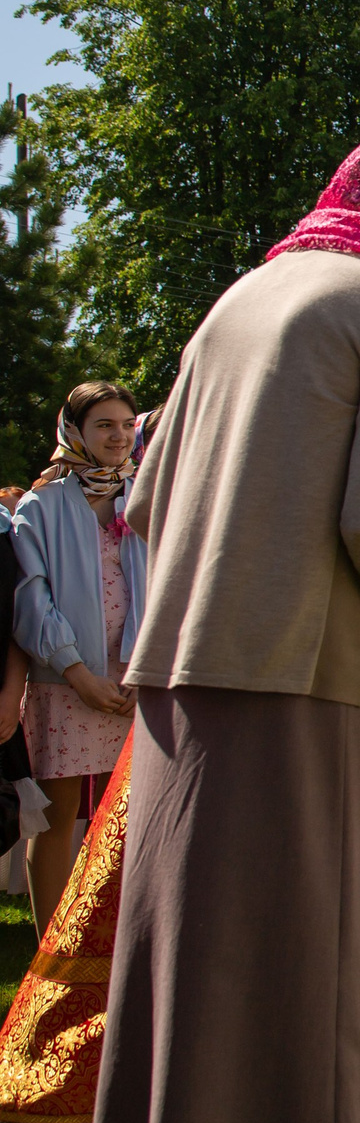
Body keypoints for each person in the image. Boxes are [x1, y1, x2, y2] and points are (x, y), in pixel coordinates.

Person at [96, 126, 360, 1123]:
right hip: (305, 678)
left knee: (184, 966)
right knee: (312, 973)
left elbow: (139, 501)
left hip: (178, 674)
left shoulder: (239, 298)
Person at [9, 383, 144, 931]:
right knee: (56, 819)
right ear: (74, 432)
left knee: (134, 821)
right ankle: (52, 955)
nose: (118, 435)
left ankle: (119, 946)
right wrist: (77, 672)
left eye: (127, 424)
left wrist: (145, 667)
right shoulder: (44, 504)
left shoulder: (148, 495)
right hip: (65, 683)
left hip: (137, 681)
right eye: (104, 425)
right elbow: (30, 595)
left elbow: (173, 585)